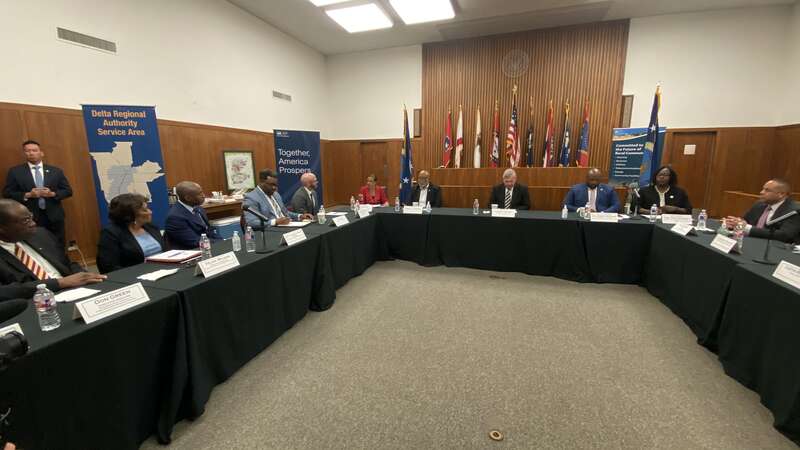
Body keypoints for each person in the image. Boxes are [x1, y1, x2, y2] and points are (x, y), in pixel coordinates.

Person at [0, 199, 105, 293]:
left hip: (73, 291)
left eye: (31, 217)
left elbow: (67, 263)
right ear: (2, 228)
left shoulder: (40, 234)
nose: (33, 223)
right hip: (36, 302)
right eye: (25, 221)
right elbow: (7, 292)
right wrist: (59, 283)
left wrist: (83, 276)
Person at [3, 140, 73, 247]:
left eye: (34, 150)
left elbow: (68, 191)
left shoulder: (55, 171)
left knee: (59, 245)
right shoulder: (15, 172)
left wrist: (52, 194)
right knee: (37, 246)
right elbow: (7, 194)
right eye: (28, 151)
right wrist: (28, 195)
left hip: (54, 216)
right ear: (24, 153)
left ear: (41, 153)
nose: (31, 153)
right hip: (30, 217)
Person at [96, 193, 165, 273]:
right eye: (145, 210)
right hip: (135, 276)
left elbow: (165, 252)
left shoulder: (151, 227)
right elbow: (109, 267)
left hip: (162, 271)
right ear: (130, 215)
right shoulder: (110, 233)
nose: (150, 212)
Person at [723, 179, 800, 243]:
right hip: (751, 242)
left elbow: (784, 235)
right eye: (763, 189)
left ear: (781, 194)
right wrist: (734, 224)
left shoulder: (794, 211)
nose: (761, 192)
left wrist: (746, 228)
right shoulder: (759, 204)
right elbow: (745, 221)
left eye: (767, 190)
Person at [244, 169, 313, 229]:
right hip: (271, 231)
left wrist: (300, 216)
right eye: (271, 184)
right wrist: (275, 222)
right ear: (261, 182)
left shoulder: (276, 194)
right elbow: (251, 222)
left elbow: (285, 212)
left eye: (275, 185)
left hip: (288, 227)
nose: (274, 188)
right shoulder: (251, 197)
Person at [165, 181, 217, 249]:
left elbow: (210, 230)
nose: (203, 196)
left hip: (207, 246)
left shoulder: (198, 208)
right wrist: (218, 243)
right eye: (199, 194)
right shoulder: (175, 217)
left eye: (202, 192)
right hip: (191, 251)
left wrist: (222, 241)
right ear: (188, 198)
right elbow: (194, 241)